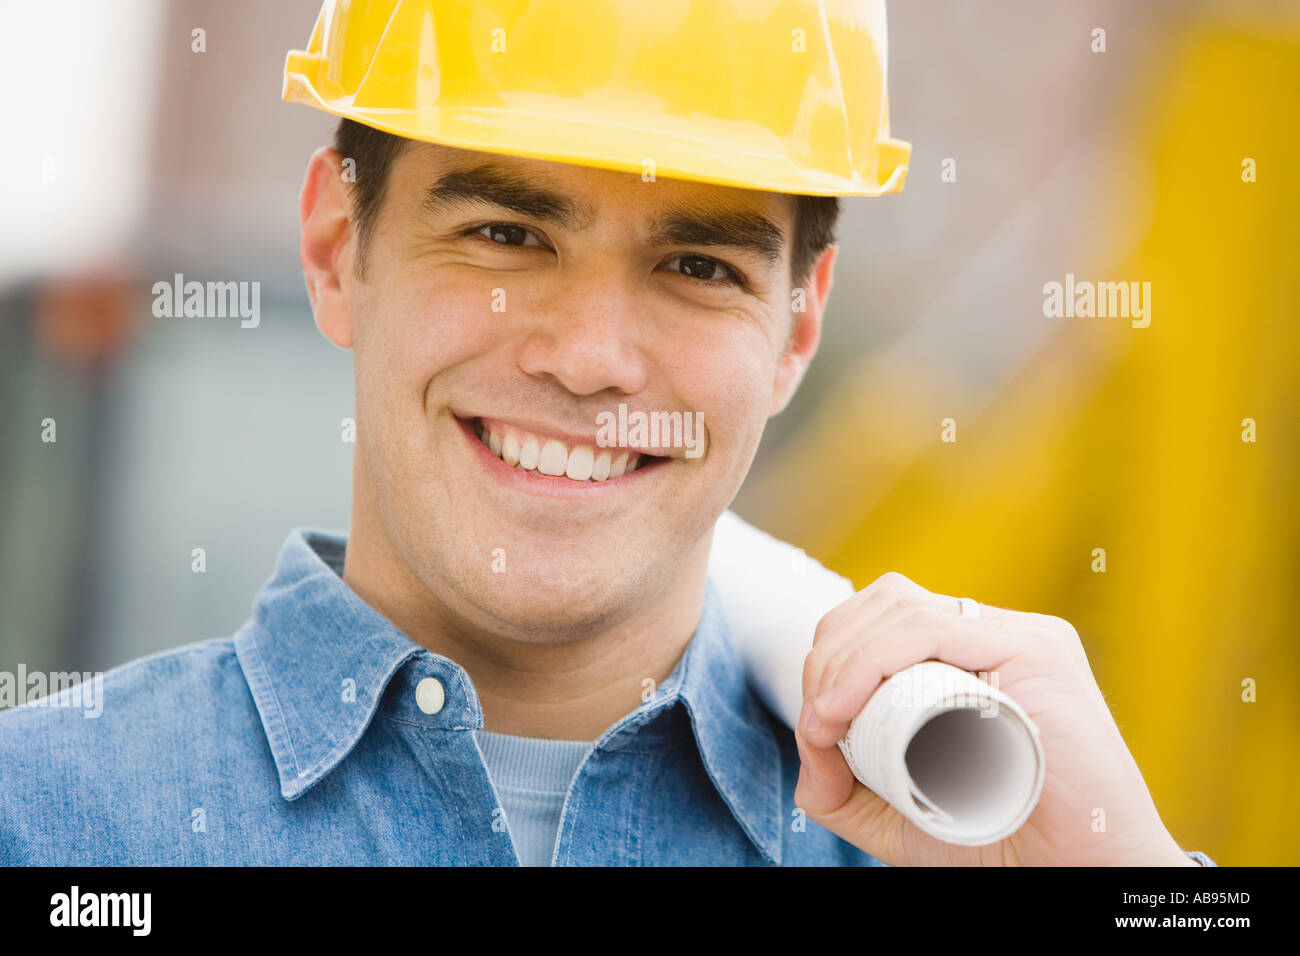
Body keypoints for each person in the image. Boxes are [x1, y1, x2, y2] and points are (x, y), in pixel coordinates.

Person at [0, 0, 1213, 866]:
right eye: (505, 235)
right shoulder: (45, 821)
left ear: (798, 326)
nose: (588, 356)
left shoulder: (950, 839)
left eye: (695, 264)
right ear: (336, 249)